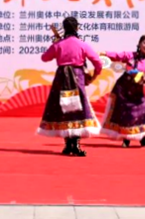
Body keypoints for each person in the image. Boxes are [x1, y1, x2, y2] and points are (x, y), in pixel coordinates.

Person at [37, 17, 103, 157]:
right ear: (77, 28)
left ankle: (68, 144)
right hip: (77, 78)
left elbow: (44, 58)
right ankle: (76, 144)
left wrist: (55, 43)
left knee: (65, 109)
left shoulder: (59, 44)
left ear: (64, 28)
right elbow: (98, 62)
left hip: (62, 79)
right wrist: (94, 76)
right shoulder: (82, 44)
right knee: (77, 110)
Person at [99, 34, 145, 148]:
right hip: (123, 88)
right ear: (139, 44)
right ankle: (126, 139)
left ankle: (144, 138)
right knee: (127, 113)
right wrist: (104, 53)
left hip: (137, 90)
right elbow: (117, 55)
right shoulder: (130, 55)